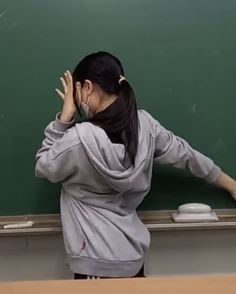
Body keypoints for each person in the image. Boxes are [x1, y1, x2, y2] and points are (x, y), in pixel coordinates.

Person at [35, 51, 236, 279]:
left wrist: (64, 119)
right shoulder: (146, 127)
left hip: (93, 261)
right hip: (132, 258)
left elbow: (44, 165)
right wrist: (230, 184)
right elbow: (186, 155)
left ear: (87, 87)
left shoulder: (77, 140)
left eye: (77, 90)